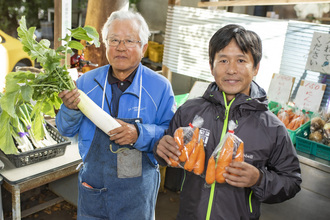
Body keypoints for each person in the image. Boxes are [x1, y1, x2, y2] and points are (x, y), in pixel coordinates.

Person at [154, 24, 302, 220]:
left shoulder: (272, 127)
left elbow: (291, 181)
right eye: (223, 60)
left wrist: (259, 179)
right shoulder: (190, 111)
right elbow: (168, 155)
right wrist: (160, 150)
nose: (231, 69)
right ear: (211, 66)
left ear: (256, 67)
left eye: (241, 60)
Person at [56, 10, 175, 219]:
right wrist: (70, 108)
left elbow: (171, 135)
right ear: (105, 44)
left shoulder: (160, 87)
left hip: (137, 196)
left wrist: (139, 134)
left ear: (143, 47)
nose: (121, 47)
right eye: (114, 40)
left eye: (129, 40)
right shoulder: (86, 83)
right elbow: (65, 130)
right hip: (93, 189)